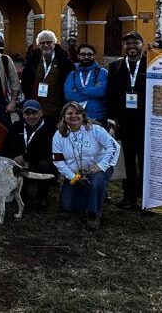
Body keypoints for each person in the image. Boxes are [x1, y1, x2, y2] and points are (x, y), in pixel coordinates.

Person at [51, 101, 120, 230]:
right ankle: (86, 196)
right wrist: (73, 177)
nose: (74, 116)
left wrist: (101, 166)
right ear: (63, 117)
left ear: (83, 115)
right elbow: (58, 161)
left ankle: (94, 214)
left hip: (97, 168)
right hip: (75, 173)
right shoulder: (59, 135)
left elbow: (114, 146)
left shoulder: (95, 129)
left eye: (77, 113)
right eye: (69, 113)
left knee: (97, 181)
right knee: (68, 206)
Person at [106, 31, 147, 210]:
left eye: (135, 43)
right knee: (127, 161)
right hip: (124, 122)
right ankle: (129, 197)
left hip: (146, 122)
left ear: (142, 45)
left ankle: (147, 199)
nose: (131, 46)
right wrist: (112, 119)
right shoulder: (115, 66)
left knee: (146, 162)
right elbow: (111, 95)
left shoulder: (151, 64)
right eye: (128, 43)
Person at [3, 100, 55, 207]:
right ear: (23, 114)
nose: (31, 117)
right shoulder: (17, 126)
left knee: (44, 165)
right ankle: (19, 194)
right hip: (20, 163)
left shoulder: (49, 128)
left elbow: (47, 151)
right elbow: (7, 144)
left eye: (34, 113)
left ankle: (42, 196)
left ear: (41, 113)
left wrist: (25, 157)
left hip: (37, 162)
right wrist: (15, 157)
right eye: (27, 113)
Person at [21, 30, 74, 130]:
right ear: (38, 45)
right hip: (36, 108)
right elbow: (25, 82)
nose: (46, 45)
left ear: (54, 44)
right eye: (42, 43)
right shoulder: (32, 61)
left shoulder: (64, 62)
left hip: (57, 108)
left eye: (49, 42)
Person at [63, 43, 108, 122]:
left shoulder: (102, 72)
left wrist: (79, 90)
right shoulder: (73, 74)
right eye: (83, 54)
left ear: (94, 56)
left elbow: (101, 91)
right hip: (76, 118)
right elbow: (69, 95)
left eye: (89, 54)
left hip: (97, 117)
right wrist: (92, 91)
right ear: (78, 56)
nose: (86, 57)